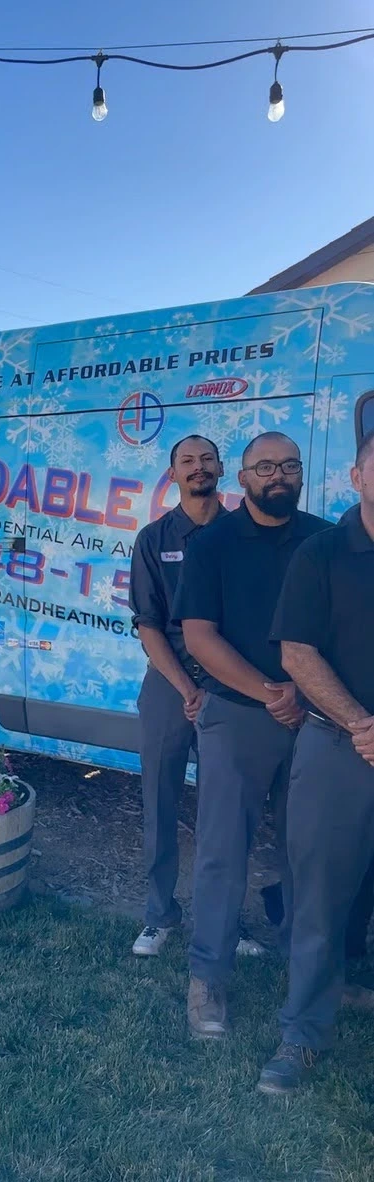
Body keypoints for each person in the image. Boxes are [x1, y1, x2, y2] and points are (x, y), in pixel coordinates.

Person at [173, 432, 330, 1039]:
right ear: (243, 478)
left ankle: (312, 971)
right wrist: (274, 691)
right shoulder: (212, 544)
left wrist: (309, 695)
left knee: (312, 851)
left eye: (289, 466)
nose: (278, 476)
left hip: (318, 719)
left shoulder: (325, 540)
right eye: (265, 467)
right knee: (222, 851)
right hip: (240, 714)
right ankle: (207, 977)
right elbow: (199, 635)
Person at [258, 430, 374, 1094]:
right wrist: (360, 725)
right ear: (355, 479)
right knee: (318, 902)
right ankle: (301, 1033)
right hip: (338, 751)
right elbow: (296, 654)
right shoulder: (322, 553)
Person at [129, 435, 262, 959]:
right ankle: (159, 915)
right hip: (169, 683)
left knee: (225, 812)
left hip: (230, 685)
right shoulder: (153, 538)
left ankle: (228, 920)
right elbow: (149, 624)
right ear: (173, 473)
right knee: (159, 802)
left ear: (222, 470)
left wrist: (220, 685)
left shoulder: (244, 536)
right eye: (187, 460)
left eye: (207, 459)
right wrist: (187, 689)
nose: (198, 467)